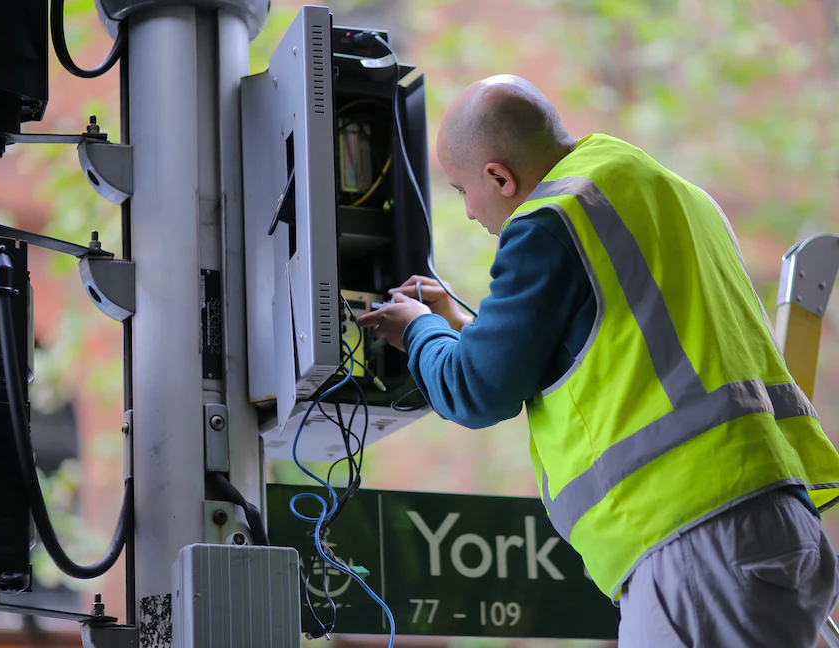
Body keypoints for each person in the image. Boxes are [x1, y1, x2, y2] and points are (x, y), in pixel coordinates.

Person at [358, 74, 839, 647]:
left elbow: (477, 390)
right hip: (774, 523)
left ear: (498, 177)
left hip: (693, 535)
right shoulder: (663, 191)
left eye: (462, 191)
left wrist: (417, 332)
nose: (467, 213)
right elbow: (598, 340)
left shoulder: (550, 218)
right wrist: (458, 325)